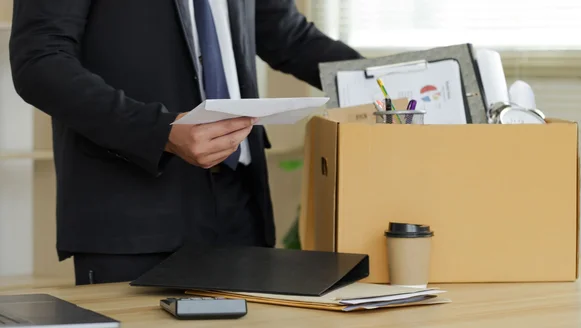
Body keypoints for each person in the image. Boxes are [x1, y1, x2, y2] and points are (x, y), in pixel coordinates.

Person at [9, 0, 362, 285]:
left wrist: (390, 82)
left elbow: (290, 37)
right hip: (133, 212)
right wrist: (158, 130)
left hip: (239, 206)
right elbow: (40, 61)